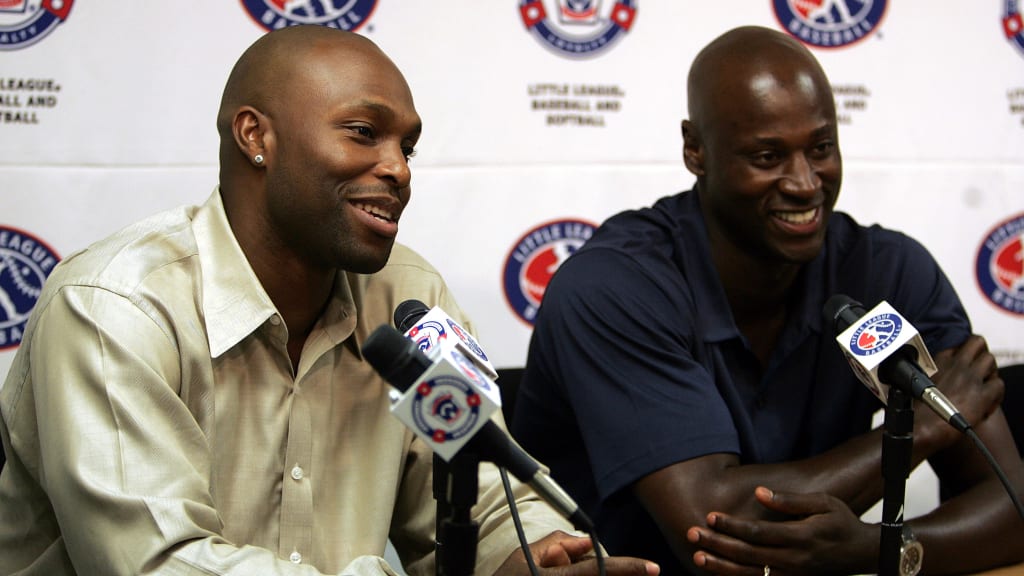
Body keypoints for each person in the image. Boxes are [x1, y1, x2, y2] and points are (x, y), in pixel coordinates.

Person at [0, 26, 660, 576]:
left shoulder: (411, 296)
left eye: (407, 146)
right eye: (364, 132)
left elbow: (483, 488)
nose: (399, 168)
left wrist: (535, 554)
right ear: (256, 137)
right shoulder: (114, 307)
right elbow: (160, 563)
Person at [510, 25, 1024, 576]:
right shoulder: (614, 286)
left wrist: (875, 548)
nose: (805, 182)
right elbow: (711, 530)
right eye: (767, 155)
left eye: (821, 148)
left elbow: (1012, 504)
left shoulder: (887, 273)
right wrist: (920, 428)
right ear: (695, 150)